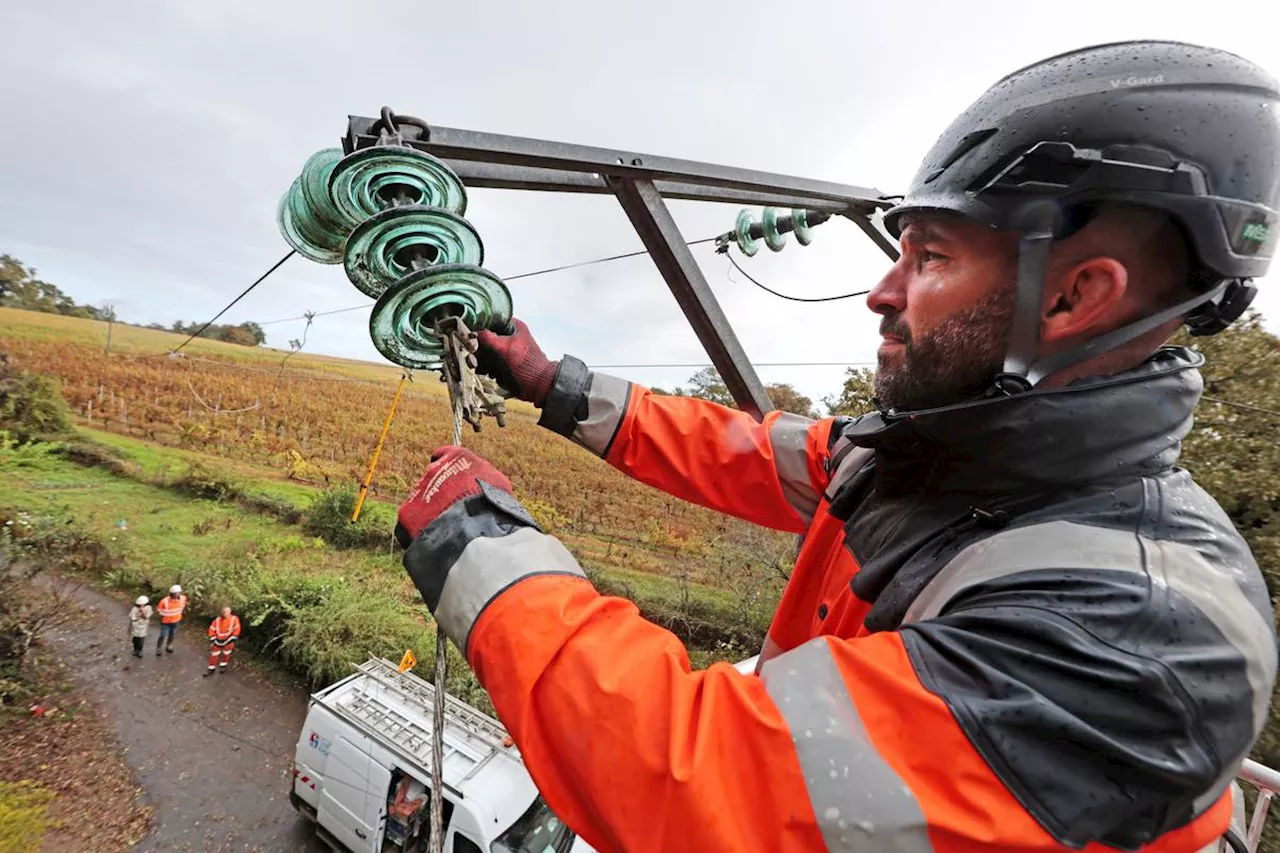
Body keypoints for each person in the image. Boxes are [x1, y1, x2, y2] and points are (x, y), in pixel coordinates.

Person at [392, 41, 1279, 853]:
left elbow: (692, 784)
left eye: (929, 256)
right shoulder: (930, 456)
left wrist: (476, 548)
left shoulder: (1142, 643)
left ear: (1074, 297)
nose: (882, 291)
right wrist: (553, 383)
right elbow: (740, 448)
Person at [204, 605, 241, 676]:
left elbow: (237, 629)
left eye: (226, 612)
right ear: (221, 612)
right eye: (224, 612)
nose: (225, 613)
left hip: (229, 640)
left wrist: (232, 638)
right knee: (214, 654)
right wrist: (213, 638)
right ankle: (211, 668)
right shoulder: (217, 620)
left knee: (226, 654)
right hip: (218, 640)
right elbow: (212, 629)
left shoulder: (234, 619)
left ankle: (223, 666)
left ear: (230, 612)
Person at [154, 584, 187, 655]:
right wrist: (161, 617)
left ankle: (169, 646)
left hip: (176, 621)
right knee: (163, 635)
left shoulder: (183, 598)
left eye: (178, 592)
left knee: (172, 634)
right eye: (176, 593)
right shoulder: (164, 601)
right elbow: (159, 611)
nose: (177, 594)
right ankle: (159, 648)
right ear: (171, 593)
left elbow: (183, 607)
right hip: (165, 622)